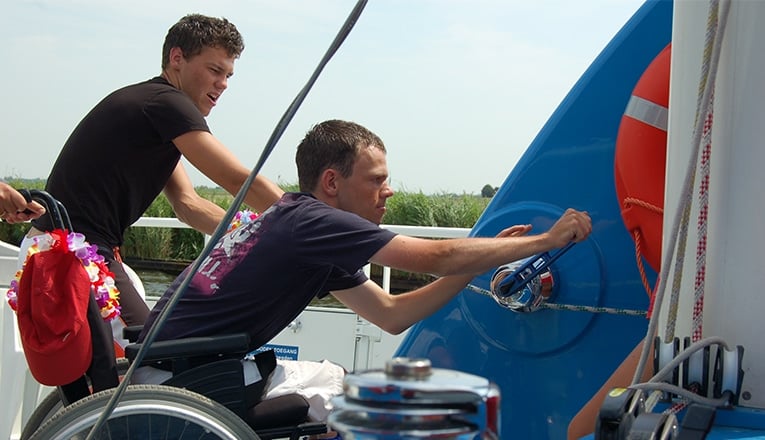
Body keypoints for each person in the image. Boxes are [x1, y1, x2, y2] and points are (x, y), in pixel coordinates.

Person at [137, 119, 593, 423]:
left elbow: (390, 313)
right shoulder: (314, 222)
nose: (389, 191)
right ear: (332, 182)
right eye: (376, 179)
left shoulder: (299, 224)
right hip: (187, 378)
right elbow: (432, 257)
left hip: (178, 366)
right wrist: (548, 241)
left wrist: (482, 263)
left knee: (347, 380)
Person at [19, 14, 283, 393]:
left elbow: (189, 205)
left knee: (147, 355)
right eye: (214, 70)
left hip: (77, 250)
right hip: (70, 258)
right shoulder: (167, 103)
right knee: (153, 358)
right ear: (177, 58)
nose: (222, 84)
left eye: (228, 75)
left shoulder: (155, 117)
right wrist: (304, 219)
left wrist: (253, 234)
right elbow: (238, 179)